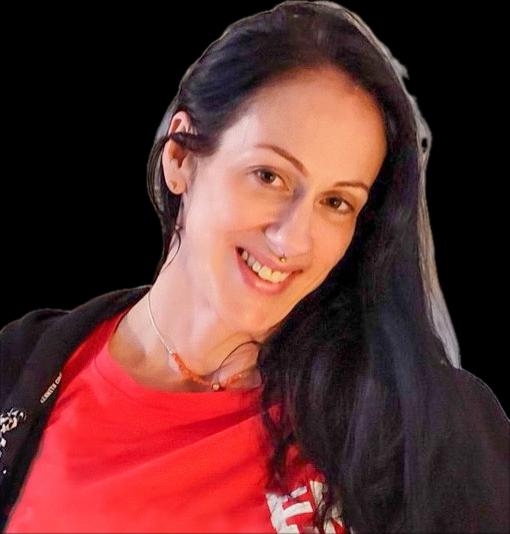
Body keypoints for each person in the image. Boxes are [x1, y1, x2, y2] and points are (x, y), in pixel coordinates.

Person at [1, 1, 508, 532]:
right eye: (269, 176)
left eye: (336, 203)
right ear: (180, 156)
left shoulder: (424, 430)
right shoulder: (19, 370)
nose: (292, 238)